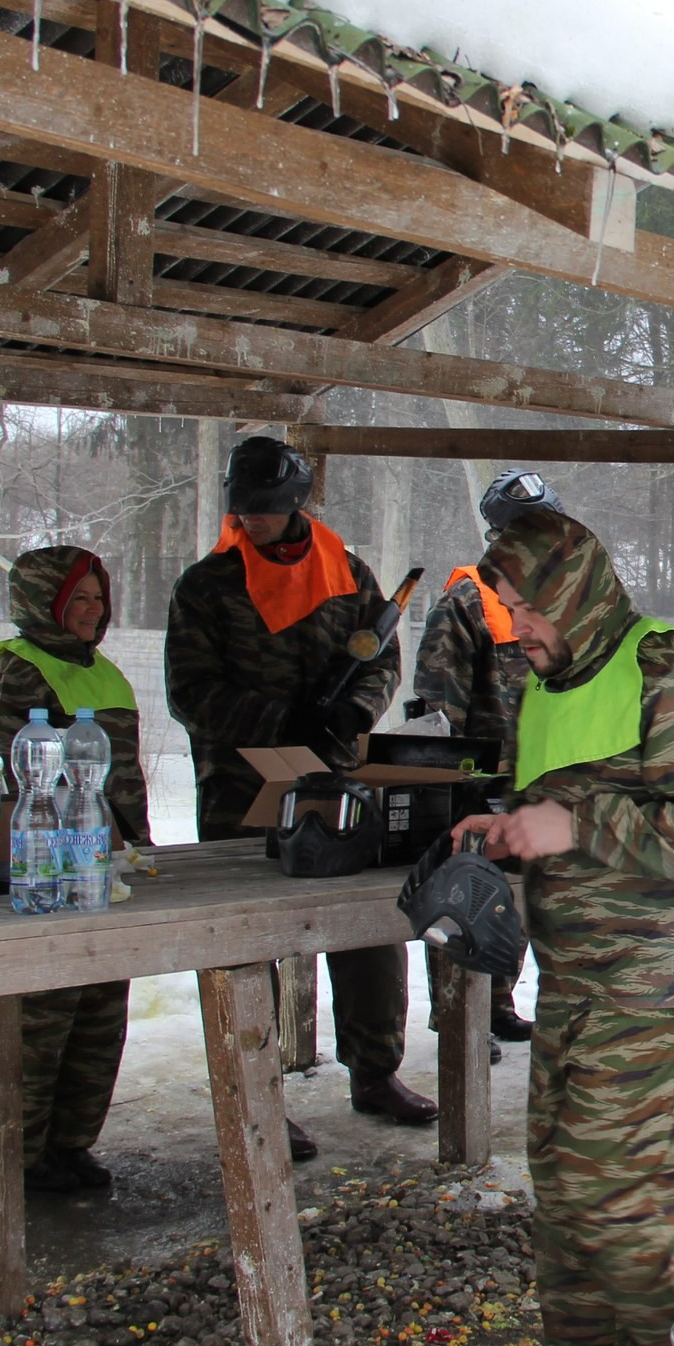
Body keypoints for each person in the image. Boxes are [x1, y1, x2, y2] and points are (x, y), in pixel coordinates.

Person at [455, 507, 674, 1346]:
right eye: (507, 608)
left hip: (658, 991)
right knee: (562, 1187)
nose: (517, 626)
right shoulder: (544, 683)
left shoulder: (673, 671)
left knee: (622, 1192)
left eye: (529, 606)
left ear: (574, 590)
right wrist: (508, 827)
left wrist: (574, 827)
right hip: (574, 981)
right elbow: (567, 803)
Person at [166, 436, 432, 1156]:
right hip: (240, 787)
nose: (250, 520)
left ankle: (375, 1070)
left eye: (264, 509)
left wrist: (354, 712)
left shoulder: (347, 572)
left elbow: (382, 660)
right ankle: (255, 1094)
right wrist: (279, 719)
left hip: (333, 781)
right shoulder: (207, 584)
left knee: (368, 928)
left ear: (295, 504)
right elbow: (190, 691)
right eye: (242, 509)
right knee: (246, 947)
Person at [0, 546, 151, 1195]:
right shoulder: (12, 670)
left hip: (108, 866)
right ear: (42, 603)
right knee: (42, 1015)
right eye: (78, 599)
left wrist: (134, 844)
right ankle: (20, 1154)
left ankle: (72, 1142)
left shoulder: (106, 672)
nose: (92, 611)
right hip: (42, 870)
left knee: (100, 1011)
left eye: (98, 598)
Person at [410, 468, 566, 1043]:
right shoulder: (469, 599)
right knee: (471, 898)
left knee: (526, 902)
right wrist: (451, 788)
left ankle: (499, 1002)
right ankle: (461, 1019)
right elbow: (436, 704)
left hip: (549, 781)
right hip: (481, 787)